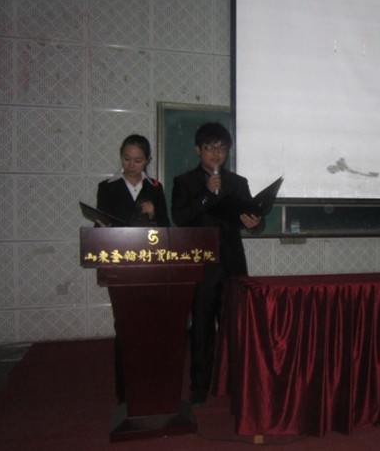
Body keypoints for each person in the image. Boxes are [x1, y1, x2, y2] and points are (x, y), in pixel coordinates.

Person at [171, 122, 264, 405]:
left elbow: (253, 220)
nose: (216, 154)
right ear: (198, 150)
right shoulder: (184, 182)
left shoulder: (238, 183)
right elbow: (180, 218)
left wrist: (256, 222)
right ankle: (199, 387)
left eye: (222, 148)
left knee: (234, 328)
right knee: (200, 329)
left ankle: (236, 384)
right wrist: (206, 195)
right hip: (200, 266)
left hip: (232, 265)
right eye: (210, 148)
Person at [95, 134, 170, 403]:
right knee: (124, 325)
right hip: (121, 266)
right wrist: (100, 226)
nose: (131, 164)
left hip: (149, 266)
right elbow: (99, 225)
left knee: (151, 325)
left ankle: (151, 384)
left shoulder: (155, 187)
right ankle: (124, 392)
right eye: (127, 158)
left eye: (138, 160)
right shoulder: (108, 187)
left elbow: (166, 228)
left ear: (147, 161)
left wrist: (154, 214)